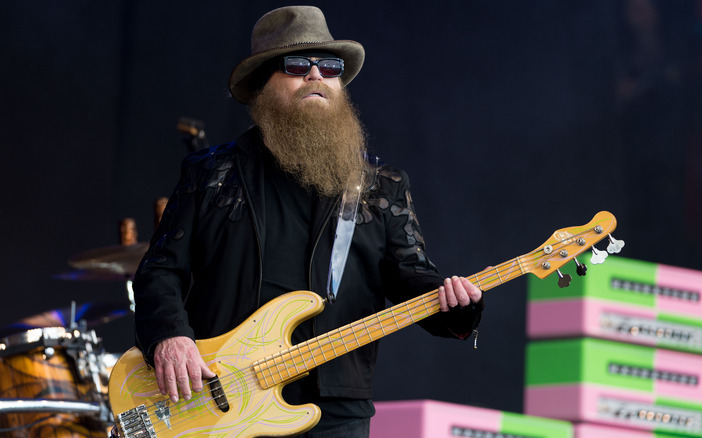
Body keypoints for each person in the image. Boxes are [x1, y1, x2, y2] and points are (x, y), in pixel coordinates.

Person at [132, 5, 483, 437]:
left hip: (336, 410)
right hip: (223, 399)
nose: (316, 75)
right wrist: (170, 336)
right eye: (297, 65)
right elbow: (158, 270)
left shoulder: (380, 185)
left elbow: (412, 278)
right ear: (263, 84)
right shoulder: (212, 173)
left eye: (329, 67)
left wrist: (458, 304)